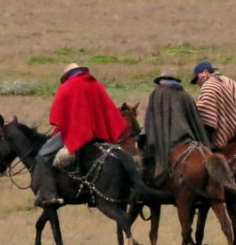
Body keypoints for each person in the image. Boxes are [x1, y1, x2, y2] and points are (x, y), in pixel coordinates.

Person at [32, 63, 149, 207]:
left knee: (43, 155)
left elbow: (59, 115)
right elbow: (108, 109)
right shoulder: (95, 85)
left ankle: (49, 195)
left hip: (75, 133)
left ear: (68, 75)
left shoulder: (66, 87)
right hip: (98, 133)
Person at [142, 68, 210, 186]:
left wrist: (149, 140)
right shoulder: (185, 95)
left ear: (161, 80)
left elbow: (151, 121)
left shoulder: (157, 93)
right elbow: (195, 120)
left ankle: (149, 185)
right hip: (189, 138)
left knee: (145, 159)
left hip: (168, 141)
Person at [190, 60, 236, 150]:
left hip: (226, 140)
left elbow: (207, 118)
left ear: (205, 72)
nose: (198, 82)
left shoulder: (208, 86)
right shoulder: (231, 82)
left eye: (197, 78)